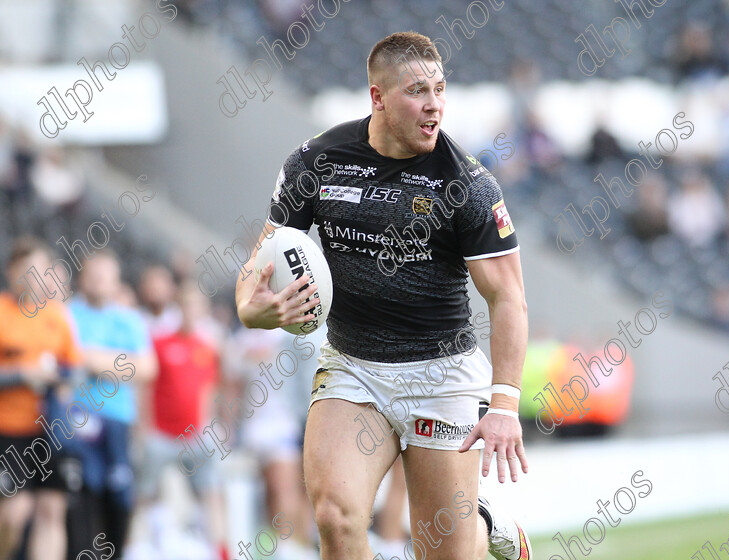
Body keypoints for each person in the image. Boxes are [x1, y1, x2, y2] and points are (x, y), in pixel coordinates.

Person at [235, 32, 531, 560]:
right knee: (334, 515)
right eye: (418, 91)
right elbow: (261, 260)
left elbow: (508, 296)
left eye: (440, 89)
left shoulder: (468, 184)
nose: (435, 104)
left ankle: (485, 525)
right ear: (378, 98)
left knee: (439, 549)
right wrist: (250, 308)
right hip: (353, 366)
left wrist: (505, 403)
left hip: (441, 376)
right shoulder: (317, 163)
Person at [66, 250, 157, 560]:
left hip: (118, 421)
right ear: (82, 278)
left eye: (106, 276)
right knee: (80, 495)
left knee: (119, 498)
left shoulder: (129, 320)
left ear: (116, 281)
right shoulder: (67, 315)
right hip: (78, 418)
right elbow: (69, 360)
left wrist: (95, 359)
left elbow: (147, 368)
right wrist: (120, 364)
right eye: (94, 275)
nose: (100, 281)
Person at [0, 237, 83, 560]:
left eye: (39, 270)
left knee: (51, 511)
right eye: (26, 269)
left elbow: (74, 370)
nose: (33, 277)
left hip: (50, 432)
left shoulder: (57, 317)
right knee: (13, 515)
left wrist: (60, 380)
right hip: (10, 430)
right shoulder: (3, 312)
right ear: (12, 272)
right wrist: (23, 374)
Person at [137, 284, 229, 560]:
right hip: (161, 434)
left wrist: (209, 425)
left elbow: (208, 391)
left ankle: (221, 552)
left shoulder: (206, 349)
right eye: (186, 305)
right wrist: (144, 427)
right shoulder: (159, 342)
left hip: (195, 436)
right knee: (146, 494)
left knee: (211, 493)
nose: (191, 312)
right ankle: (138, 547)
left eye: (196, 306)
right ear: (178, 309)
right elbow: (145, 386)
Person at [225, 323, 327, 560]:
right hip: (260, 430)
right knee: (278, 492)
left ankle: (296, 546)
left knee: (295, 490)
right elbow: (233, 390)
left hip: (291, 424)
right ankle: (287, 546)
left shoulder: (291, 336)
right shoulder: (240, 342)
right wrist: (230, 434)